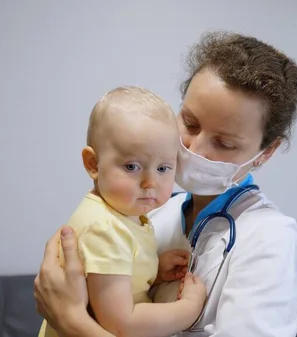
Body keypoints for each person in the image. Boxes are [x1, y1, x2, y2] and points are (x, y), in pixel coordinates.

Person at [34, 31, 297, 337]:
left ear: (266, 152)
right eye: (189, 123)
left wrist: (71, 322)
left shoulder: (271, 238)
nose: (194, 147)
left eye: (224, 143)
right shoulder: (149, 212)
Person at [38, 86, 207, 337]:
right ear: (93, 164)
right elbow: (121, 322)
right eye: (132, 166)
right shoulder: (105, 229)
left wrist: (153, 272)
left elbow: (107, 285)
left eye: (163, 168)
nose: (150, 182)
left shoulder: (121, 216)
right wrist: (188, 309)